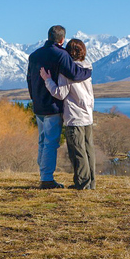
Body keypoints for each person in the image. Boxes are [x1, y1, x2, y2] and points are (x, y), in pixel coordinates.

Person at [26, 25, 92, 189]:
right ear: (62, 40)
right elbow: (75, 74)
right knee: (50, 143)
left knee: (42, 142)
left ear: (48, 37)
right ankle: (47, 179)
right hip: (53, 106)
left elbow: (29, 80)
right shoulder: (61, 55)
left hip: (38, 106)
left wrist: (34, 98)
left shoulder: (34, 56)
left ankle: (43, 175)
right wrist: (89, 71)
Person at [40, 39, 95, 190]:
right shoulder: (87, 68)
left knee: (77, 152)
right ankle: (91, 183)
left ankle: (82, 184)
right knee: (88, 150)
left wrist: (48, 80)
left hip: (74, 117)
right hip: (88, 116)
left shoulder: (67, 71)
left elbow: (60, 93)